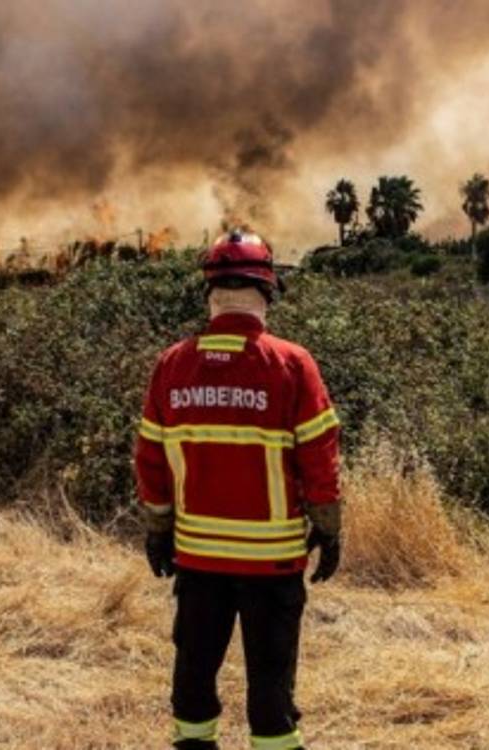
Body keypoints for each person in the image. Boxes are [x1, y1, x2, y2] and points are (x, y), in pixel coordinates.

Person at [134, 230, 342, 750]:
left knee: (194, 673)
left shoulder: (171, 365)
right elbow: (319, 457)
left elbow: (151, 460)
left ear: (210, 293)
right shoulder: (293, 364)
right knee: (271, 686)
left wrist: (159, 529)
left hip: (199, 557)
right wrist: (329, 528)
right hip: (272, 562)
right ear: (267, 292)